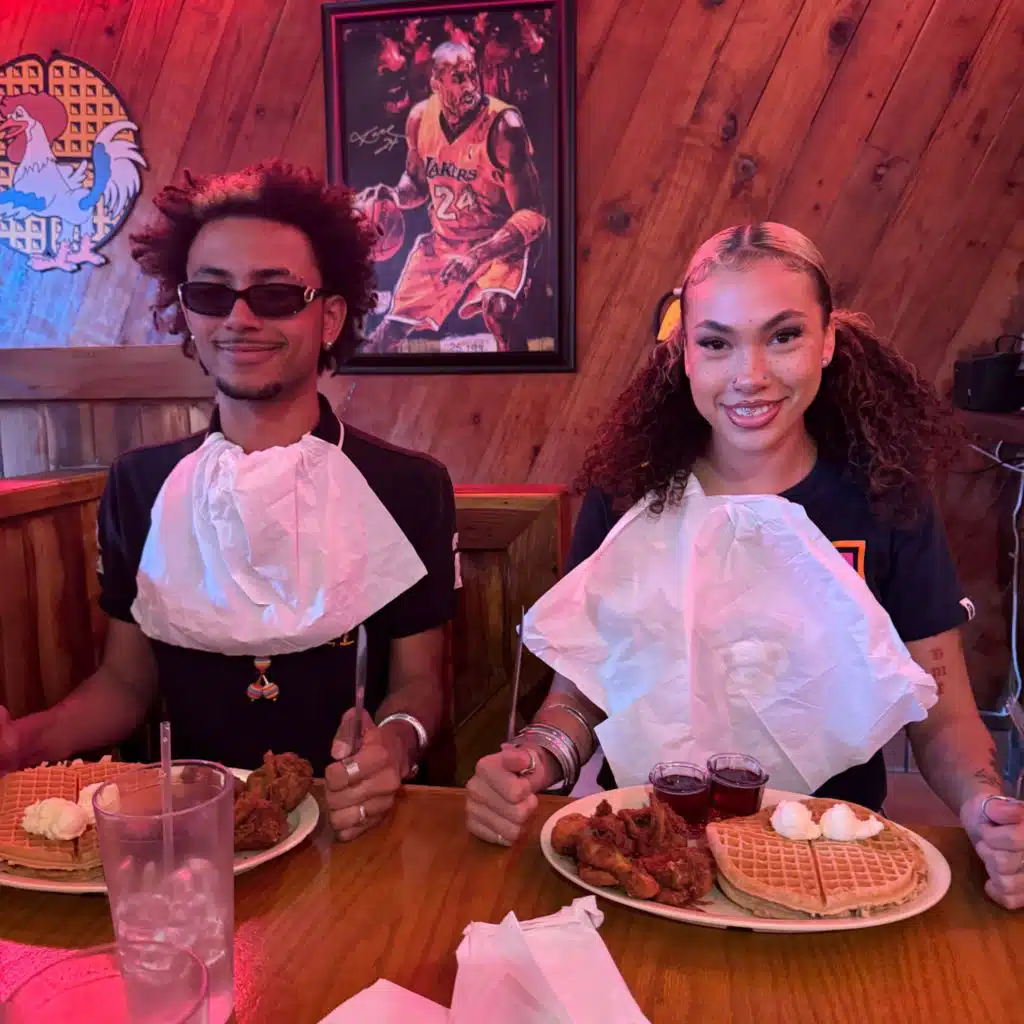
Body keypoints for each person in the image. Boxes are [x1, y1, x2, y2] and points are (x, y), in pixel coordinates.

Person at [466, 222, 1024, 910]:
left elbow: (941, 715)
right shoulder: (628, 495)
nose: (749, 375)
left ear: (828, 341)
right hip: (646, 860)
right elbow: (581, 691)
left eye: (783, 336)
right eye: (716, 343)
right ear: (684, 355)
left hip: (828, 861)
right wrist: (536, 756)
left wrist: (987, 807)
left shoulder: (887, 501)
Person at [0, 162, 458, 843]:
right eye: (212, 295)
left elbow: (420, 685)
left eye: (276, 295)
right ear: (186, 312)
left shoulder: (408, 486)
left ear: (330, 317)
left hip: (355, 827)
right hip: (192, 827)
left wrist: (394, 742)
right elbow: (124, 685)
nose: (240, 319)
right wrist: (22, 743)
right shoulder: (139, 485)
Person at [359, 40, 546, 354]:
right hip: (446, 240)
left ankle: (518, 371)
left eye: (473, 74)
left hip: (499, 240)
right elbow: (416, 184)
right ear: (436, 83)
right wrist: (393, 195)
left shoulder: (505, 127)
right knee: (389, 332)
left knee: (498, 310)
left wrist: (476, 257)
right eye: (459, 78)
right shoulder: (419, 119)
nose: (471, 85)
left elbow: (533, 214)